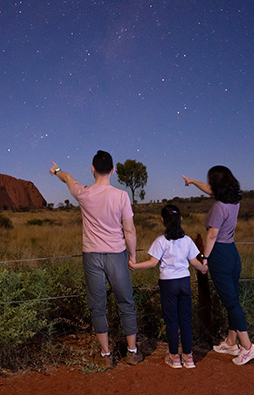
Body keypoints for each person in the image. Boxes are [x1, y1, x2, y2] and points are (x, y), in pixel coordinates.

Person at [50, 150, 143, 368]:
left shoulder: (83, 193)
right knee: (126, 303)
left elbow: (68, 178)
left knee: (98, 307)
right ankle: (132, 352)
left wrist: (55, 170)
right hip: (117, 255)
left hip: (92, 256)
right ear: (113, 170)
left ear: (92, 169)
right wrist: (132, 256)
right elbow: (129, 231)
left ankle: (105, 356)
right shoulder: (121, 196)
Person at [182, 166, 254, 365]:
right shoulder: (233, 200)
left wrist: (205, 257)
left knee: (231, 303)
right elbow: (210, 190)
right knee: (232, 298)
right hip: (232, 253)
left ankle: (248, 347)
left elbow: (212, 235)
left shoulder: (219, 207)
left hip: (219, 254)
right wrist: (192, 181)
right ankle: (231, 342)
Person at [129, 204, 208, 369]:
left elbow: (152, 263)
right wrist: (204, 268)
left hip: (168, 284)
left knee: (171, 320)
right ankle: (188, 357)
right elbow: (194, 262)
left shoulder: (161, 241)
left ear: (162, 220)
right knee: (185, 320)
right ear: (181, 219)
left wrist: (134, 266)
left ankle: (174, 357)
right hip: (184, 282)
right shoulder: (187, 240)